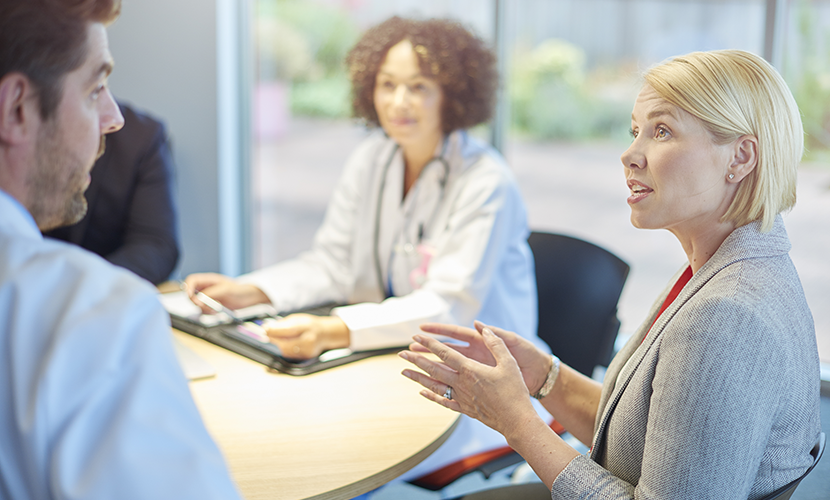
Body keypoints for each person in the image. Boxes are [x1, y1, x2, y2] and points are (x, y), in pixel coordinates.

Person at [400, 49, 822, 499]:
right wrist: (545, 377)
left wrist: (517, 423)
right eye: (635, 131)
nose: (630, 154)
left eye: (662, 131)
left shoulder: (727, 316)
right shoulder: (723, 266)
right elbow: (649, 437)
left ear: (740, 157)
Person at [185, 16, 549, 479]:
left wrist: (332, 330)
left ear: (452, 94)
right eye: (387, 84)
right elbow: (333, 261)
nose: (399, 102)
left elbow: (449, 306)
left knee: (327, 461)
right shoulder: (372, 160)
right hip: (393, 363)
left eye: (418, 87)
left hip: (478, 389)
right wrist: (253, 291)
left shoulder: (486, 180)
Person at [0, 0, 241, 498]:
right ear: (17, 108)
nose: (111, 118)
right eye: (93, 89)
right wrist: (91, 289)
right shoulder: (90, 313)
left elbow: (159, 243)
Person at [43, 101, 180, 285]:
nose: (116, 118)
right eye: (95, 88)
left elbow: (156, 244)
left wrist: (82, 285)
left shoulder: (141, 136)